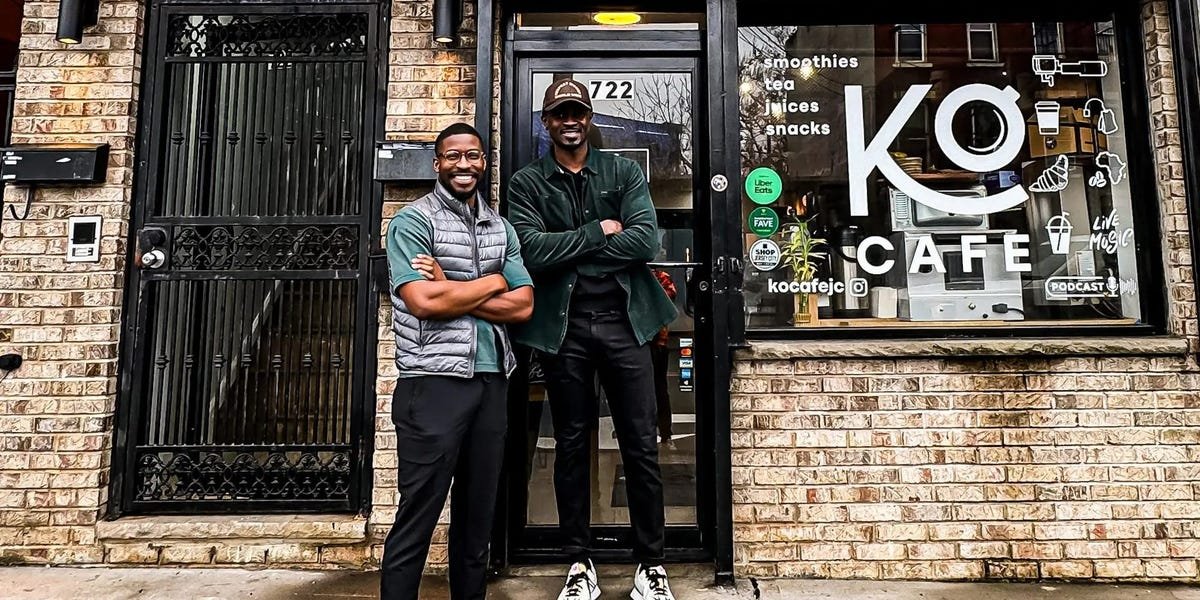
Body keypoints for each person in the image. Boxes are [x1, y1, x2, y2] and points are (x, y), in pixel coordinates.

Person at [506, 79, 679, 600]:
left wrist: (571, 251)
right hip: (566, 328)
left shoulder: (623, 172)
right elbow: (530, 251)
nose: (570, 121)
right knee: (572, 446)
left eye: (577, 112)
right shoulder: (527, 183)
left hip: (626, 323)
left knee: (640, 446)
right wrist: (599, 232)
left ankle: (651, 565)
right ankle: (579, 562)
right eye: (560, 114)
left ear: (588, 118)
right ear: (547, 122)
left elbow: (644, 241)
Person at [381, 122, 534, 600]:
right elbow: (423, 301)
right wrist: (493, 282)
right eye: (453, 156)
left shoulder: (500, 228)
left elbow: (524, 306)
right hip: (432, 384)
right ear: (437, 164)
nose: (463, 164)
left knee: (477, 522)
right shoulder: (412, 223)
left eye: (472, 155)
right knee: (417, 517)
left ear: (484, 163)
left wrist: (452, 284)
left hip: (491, 383)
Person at [650, 267, 678, 447]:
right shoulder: (661, 278)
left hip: (656, 342)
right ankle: (659, 431)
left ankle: (665, 431)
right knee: (656, 388)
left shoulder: (661, 277)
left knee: (659, 388)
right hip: (653, 341)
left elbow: (668, 299)